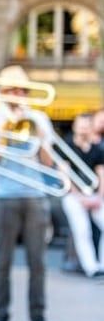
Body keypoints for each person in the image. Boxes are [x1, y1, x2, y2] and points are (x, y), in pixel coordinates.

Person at [0, 65, 56, 321]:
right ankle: (1, 317)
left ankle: (38, 317)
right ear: (1, 92)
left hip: (35, 195)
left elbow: (48, 162)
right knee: (3, 261)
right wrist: (6, 128)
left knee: (38, 262)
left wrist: (39, 136)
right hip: (4, 196)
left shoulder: (38, 117)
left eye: (22, 90)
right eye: (11, 90)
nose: (18, 95)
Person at [58, 113, 104, 277]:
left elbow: (101, 174)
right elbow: (66, 177)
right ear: (74, 126)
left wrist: (99, 197)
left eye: (86, 125)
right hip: (74, 196)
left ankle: (102, 264)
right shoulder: (66, 146)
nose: (84, 128)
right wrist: (81, 198)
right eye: (81, 125)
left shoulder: (96, 149)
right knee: (82, 230)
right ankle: (91, 267)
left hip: (94, 195)